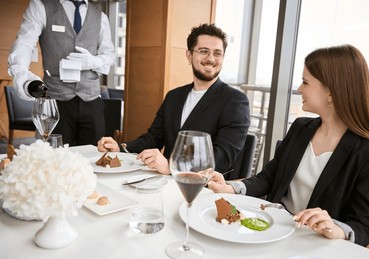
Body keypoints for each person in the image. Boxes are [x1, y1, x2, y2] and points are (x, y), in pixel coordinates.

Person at [208, 44, 369, 247]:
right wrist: (231, 187)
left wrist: (335, 228)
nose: (298, 89)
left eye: (305, 82)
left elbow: (362, 228)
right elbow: (269, 177)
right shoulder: (301, 127)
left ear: (331, 91)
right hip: (271, 233)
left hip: (315, 248)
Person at [98, 23, 250, 176]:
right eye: (204, 51)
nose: (211, 59)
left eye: (217, 53)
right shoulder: (174, 96)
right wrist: (121, 147)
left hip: (204, 188)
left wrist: (173, 166)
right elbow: (154, 137)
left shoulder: (235, 101)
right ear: (189, 55)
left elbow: (222, 157)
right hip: (165, 181)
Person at [8, 0, 115, 146]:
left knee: (93, 159)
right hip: (55, 102)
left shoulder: (100, 16)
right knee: (55, 159)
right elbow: (24, 43)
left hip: (92, 101)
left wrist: (92, 62)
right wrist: (20, 72)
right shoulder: (41, 6)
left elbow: (109, 55)